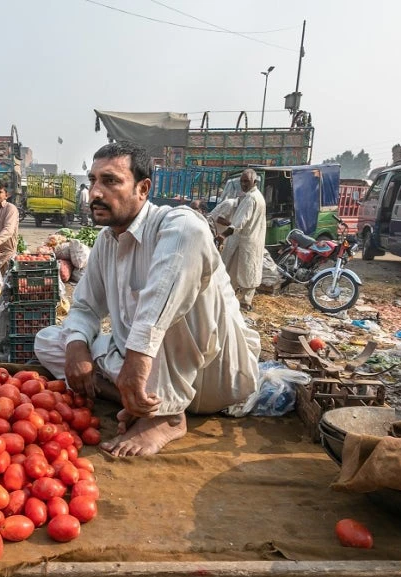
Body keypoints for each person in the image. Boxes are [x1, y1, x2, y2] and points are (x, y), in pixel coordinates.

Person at [34, 141, 262, 457]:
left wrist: (137, 359)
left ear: (143, 189)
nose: (96, 192)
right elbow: (85, 306)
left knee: (159, 311)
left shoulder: (181, 226)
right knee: (49, 340)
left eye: (110, 181)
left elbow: (158, 309)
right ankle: (139, 399)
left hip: (213, 377)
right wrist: (76, 347)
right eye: (93, 181)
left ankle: (166, 417)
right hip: (144, 373)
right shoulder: (105, 242)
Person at [215, 168, 267, 311]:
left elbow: (240, 222)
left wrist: (224, 235)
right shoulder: (256, 197)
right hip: (250, 240)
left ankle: (242, 302)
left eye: (246, 181)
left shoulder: (251, 198)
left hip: (244, 241)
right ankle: (236, 299)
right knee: (243, 270)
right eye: (242, 181)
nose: (244, 184)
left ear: (254, 181)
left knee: (238, 270)